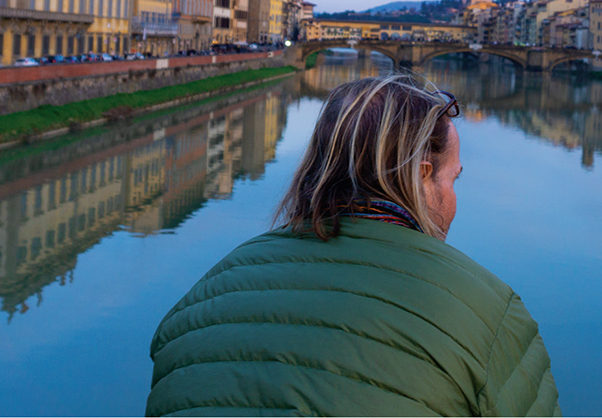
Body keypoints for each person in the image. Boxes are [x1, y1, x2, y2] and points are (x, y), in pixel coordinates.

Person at [146, 74, 561, 417]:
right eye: (453, 179)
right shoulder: (488, 312)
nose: (454, 198)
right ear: (421, 175)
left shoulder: (202, 298)